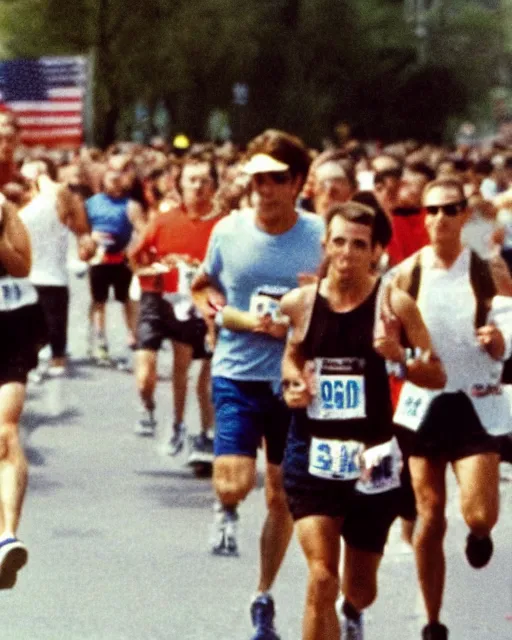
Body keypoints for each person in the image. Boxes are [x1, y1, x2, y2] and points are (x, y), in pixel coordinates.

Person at [279, 201, 445, 640]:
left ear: (375, 252)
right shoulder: (301, 303)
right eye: (339, 242)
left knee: (359, 588)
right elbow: (293, 354)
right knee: (320, 576)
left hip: (374, 460)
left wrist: (402, 357)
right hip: (313, 454)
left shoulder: (395, 305)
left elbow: (436, 372)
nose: (347, 253)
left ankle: (352, 610)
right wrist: (293, 382)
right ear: (325, 245)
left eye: (358, 245)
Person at [191, 129, 324, 640]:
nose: (264, 189)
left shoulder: (318, 236)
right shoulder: (228, 231)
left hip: (291, 380)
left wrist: (303, 320)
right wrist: (228, 315)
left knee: (280, 497)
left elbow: (339, 296)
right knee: (234, 482)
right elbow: (205, 283)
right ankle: (224, 508)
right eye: (257, 179)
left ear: (296, 183)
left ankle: (262, 595)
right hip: (238, 372)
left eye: (275, 179)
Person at [391, 178, 512, 640]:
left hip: (476, 404)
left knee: (479, 514)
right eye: (432, 211)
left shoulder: (489, 269)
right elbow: (389, 343)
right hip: (424, 406)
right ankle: (432, 621)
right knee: (430, 513)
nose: (440, 219)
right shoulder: (406, 275)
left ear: (465, 215)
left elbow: (508, 330)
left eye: (450, 210)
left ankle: (479, 536)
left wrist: (500, 343)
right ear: (423, 218)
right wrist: (401, 358)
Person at [130, 153, 221, 466]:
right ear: (179, 185)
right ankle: (179, 425)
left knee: (206, 378)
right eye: (191, 180)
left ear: (214, 186)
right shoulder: (165, 221)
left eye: (204, 181)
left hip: (213, 308)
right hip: (179, 306)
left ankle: (207, 434)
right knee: (182, 369)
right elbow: (136, 258)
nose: (197, 186)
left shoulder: (225, 224)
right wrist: (160, 266)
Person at [18, 157, 89, 375]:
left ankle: (57, 358)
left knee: (54, 321)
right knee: (31, 324)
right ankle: (36, 359)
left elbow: (76, 219)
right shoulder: (21, 202)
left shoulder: (56, 198)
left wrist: (41, 176)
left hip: (51, 274)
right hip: (27, 274)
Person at [79, 166, 146, 363]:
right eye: (111, 180)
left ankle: (134, 335)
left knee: (127, 299)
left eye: (118, 181)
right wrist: (90, 239)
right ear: (103, 181)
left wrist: (132, 250)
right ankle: (100, 341)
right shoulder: (91, 203)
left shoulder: (131, 205)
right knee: (98, 301)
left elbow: (143, 232)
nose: (115, 185)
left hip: (121, 259)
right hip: (99, 260)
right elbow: (82, 230)